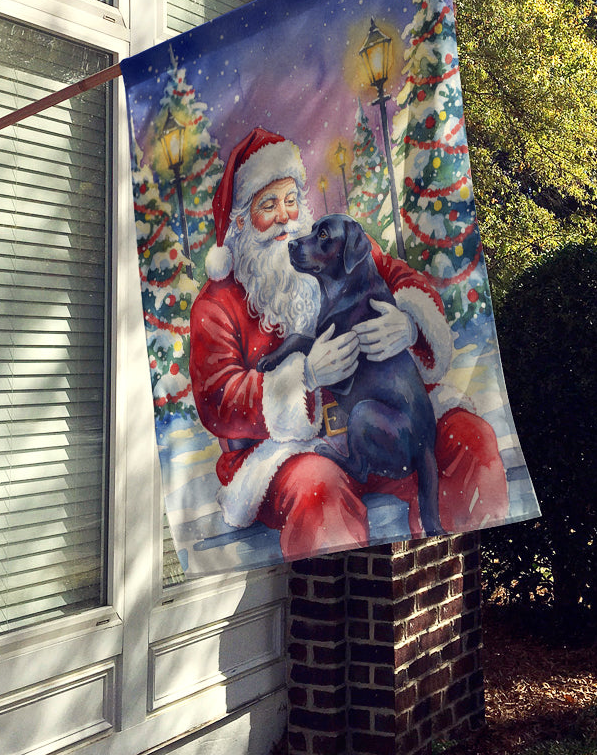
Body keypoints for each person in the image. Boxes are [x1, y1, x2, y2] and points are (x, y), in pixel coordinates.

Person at [189, 127, 508, 561]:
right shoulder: (217, 304)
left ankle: (448, 584)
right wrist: (303, 378)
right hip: (293, 451)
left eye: (290, 201)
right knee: (319, 493)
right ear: (242, 221)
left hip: (384, 428)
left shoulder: (339, 246)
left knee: (470, 439)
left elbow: (404, 280)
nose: (285, 217)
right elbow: (217, 398)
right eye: (268, 205)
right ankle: (338, 617)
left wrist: (408, 323)